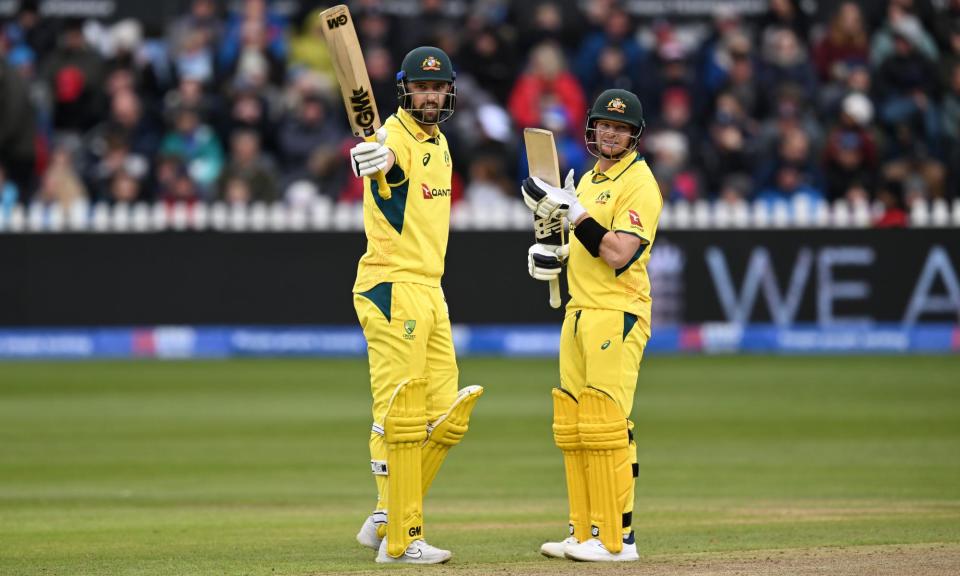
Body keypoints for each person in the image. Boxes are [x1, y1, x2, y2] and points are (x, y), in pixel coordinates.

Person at [347, 46, 483, 565]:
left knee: (446, 415)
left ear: (448, 91)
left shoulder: (442, 144)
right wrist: (370, 159)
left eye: (439, 87)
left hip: (430, 289)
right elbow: (379, 163)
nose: (431, 95)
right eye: (422, 87)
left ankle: (386, 512)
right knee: (398, 414)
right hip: (391, 285)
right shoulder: (391, 139)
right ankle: (402, 539)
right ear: (405, 89)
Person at [521, 88, 663, 562]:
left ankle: (619, 540)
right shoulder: (587, 180)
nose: (610, 132)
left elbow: (619, 253)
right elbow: (583, 244)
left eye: (620, 127)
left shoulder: (639, 183)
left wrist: (573, 211)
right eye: (604, 124)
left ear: (634, 135)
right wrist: (553, 251)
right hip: (579, 310)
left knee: (607, 426)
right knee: (575, 427)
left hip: (617, 313)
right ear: (593, 127)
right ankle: (583, 530)